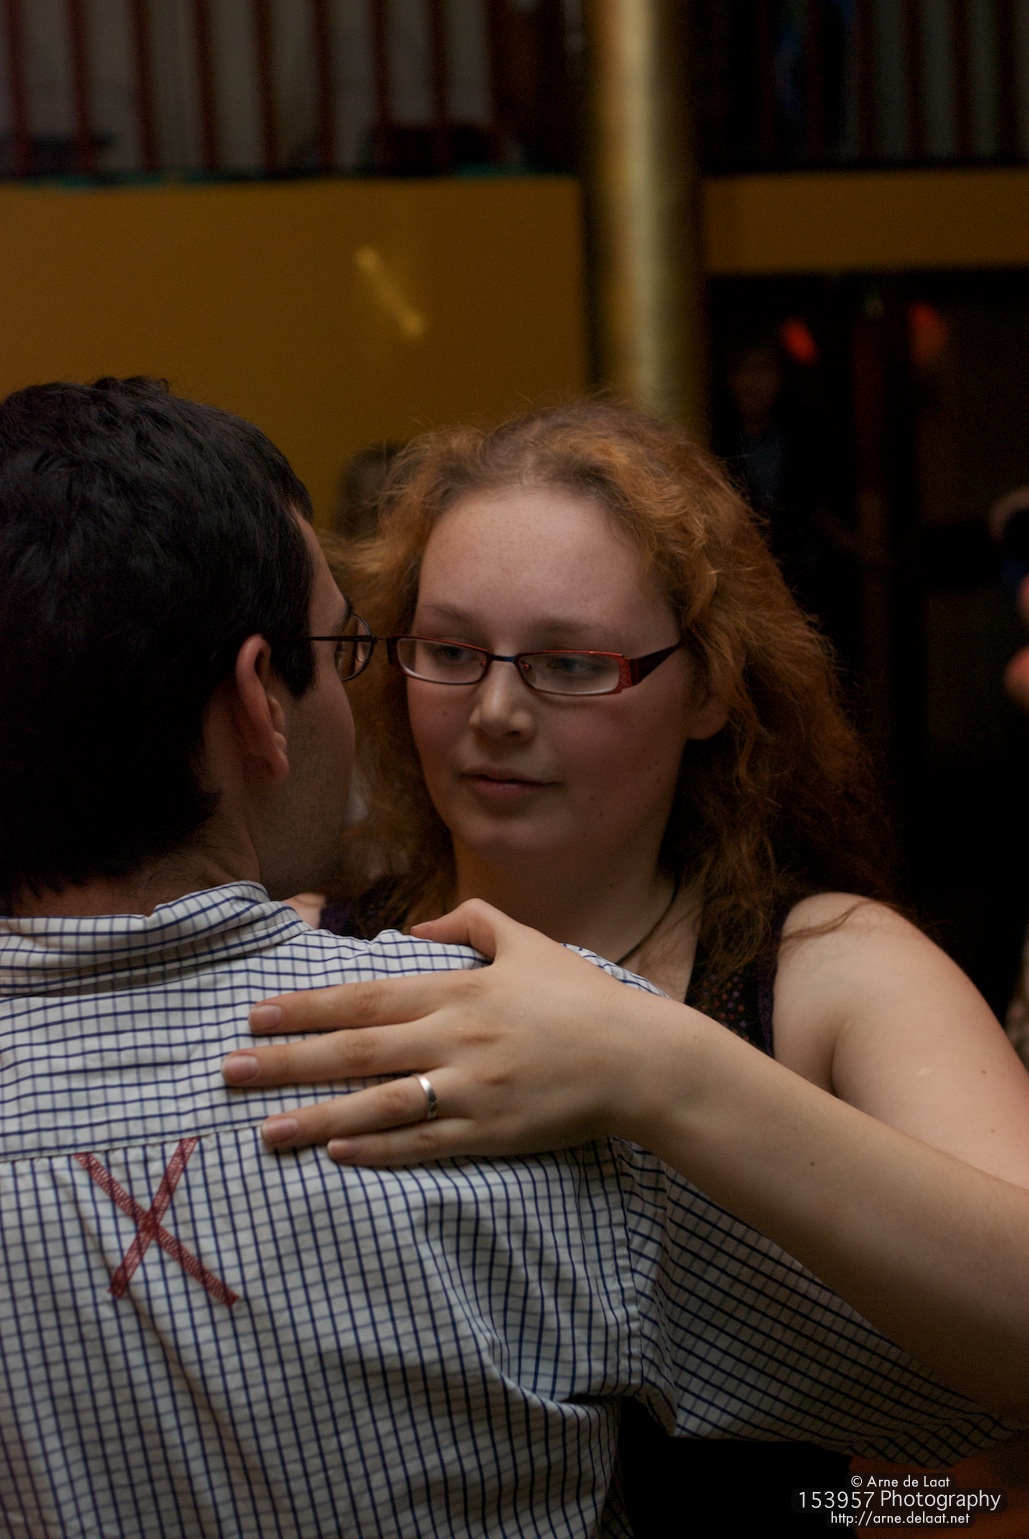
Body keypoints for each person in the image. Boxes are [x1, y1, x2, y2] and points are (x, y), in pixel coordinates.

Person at [2, 379, 1011, 1539]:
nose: (494, 712)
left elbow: (972, 1428)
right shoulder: (318, 956)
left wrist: (655, 1064)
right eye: (448, 649)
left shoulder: (835, 965)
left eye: (570, 664)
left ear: (712, 686)